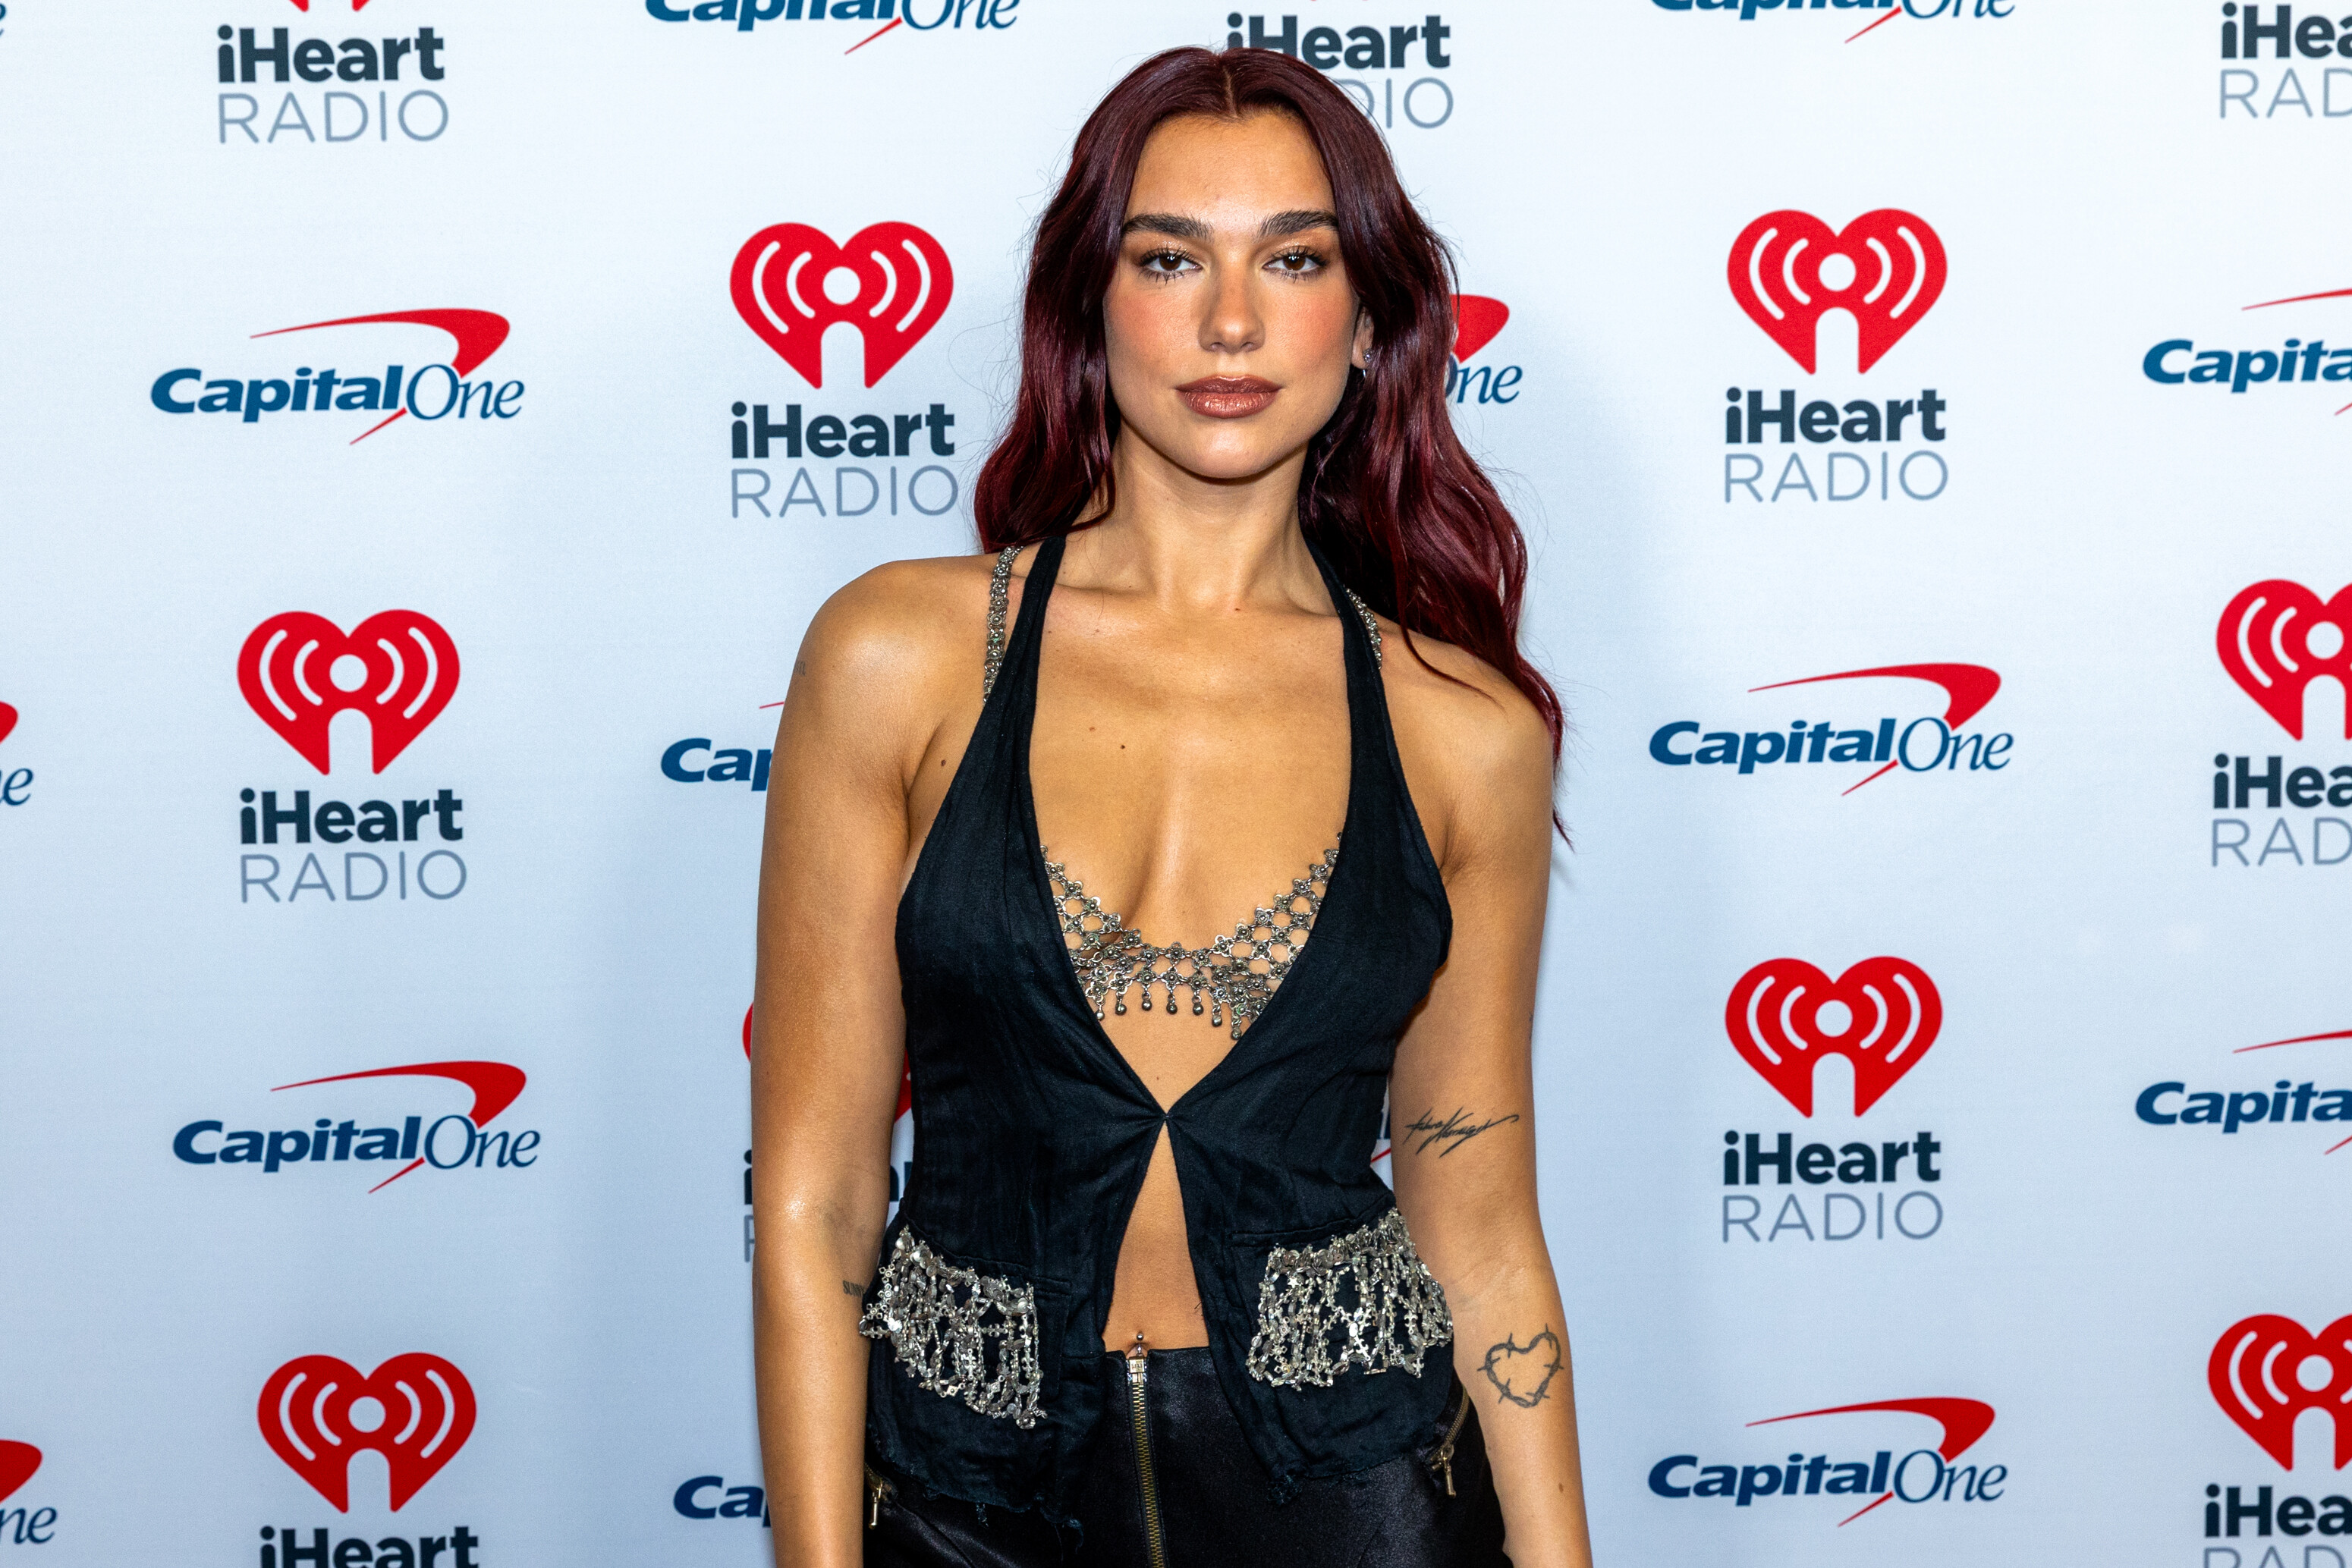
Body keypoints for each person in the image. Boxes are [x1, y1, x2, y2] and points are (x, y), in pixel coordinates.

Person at [750, 45, 1592, 1568]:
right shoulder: (897, 657)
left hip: (1358, 1500)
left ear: (1372, 320)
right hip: (969, 1501)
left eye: (1294, 258)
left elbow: (1479, 1239)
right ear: (1088, 301)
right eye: (1168, 258)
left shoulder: (1464, 733)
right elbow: (814, 1205)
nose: (1230, 321)